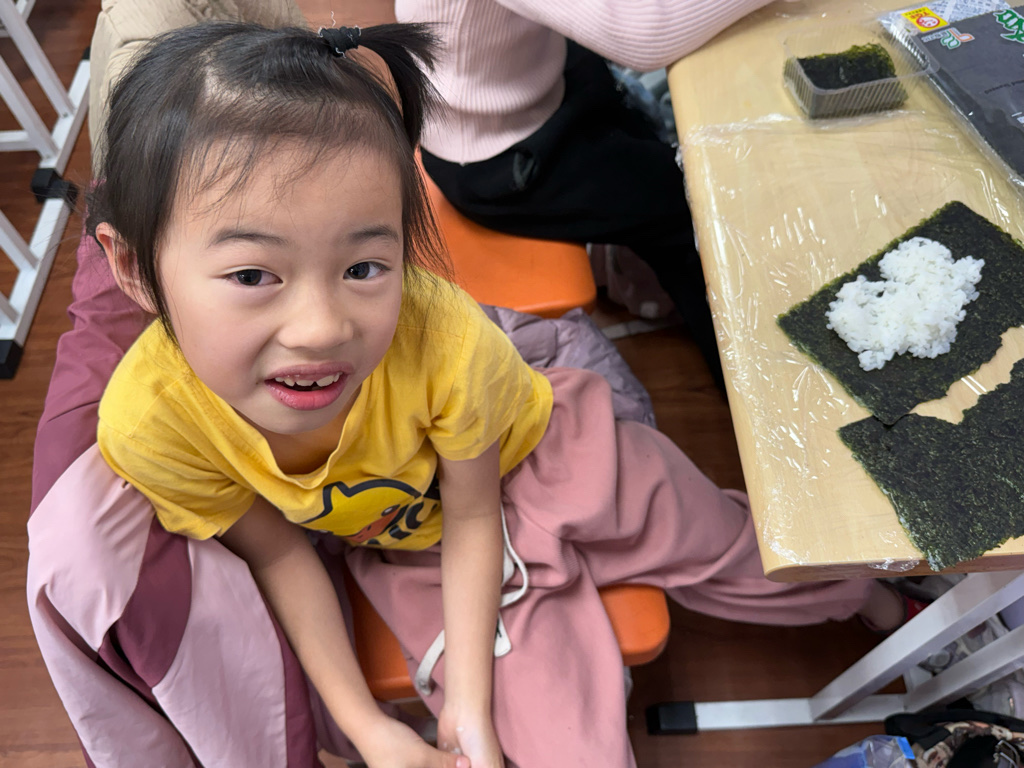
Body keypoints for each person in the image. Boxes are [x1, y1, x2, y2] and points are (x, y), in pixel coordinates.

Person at [83, 19, 902, 768]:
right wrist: (374, 727)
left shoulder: (442, 334)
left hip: (543, 449)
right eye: (253, 275)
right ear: (132, 266)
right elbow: (281, 555)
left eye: (364, 266)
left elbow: (476, 510)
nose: (323, 328)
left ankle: (864, 591)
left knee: (735, 544)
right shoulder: (152, 428)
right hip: (411, 549)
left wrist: (468, 699)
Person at [395, 0, 790, 390]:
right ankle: (759, 386)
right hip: (497, 158)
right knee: (695, 214)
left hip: (532, 90)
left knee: (647, 137)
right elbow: (646, 36)